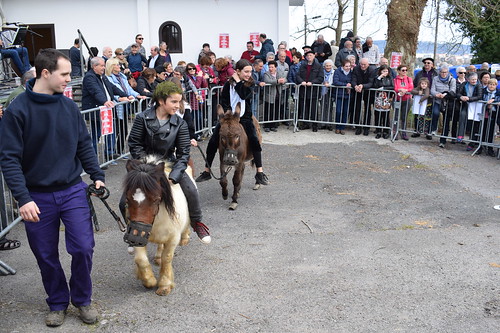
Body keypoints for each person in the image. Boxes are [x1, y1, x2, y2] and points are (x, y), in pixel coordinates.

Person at [0, 48, 105, 327]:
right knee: (45, 254)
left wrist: (97, 174)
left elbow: (84, 143)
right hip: (36, 197)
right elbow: (8, 159)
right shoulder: (17, 110)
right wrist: (22, 198)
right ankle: (57, 302)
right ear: (45, 73)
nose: (69, 80)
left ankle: (82, 300)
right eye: (65, 74)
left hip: (72, 190)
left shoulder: (69, 106)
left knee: (83, 247)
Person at [127, 81, 211, 243]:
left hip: (170, 164)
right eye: (174, 101)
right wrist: (146, 166)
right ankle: (133, 228)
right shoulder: (142, 118)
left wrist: (175, 175)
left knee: (191, 190)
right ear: (161, 101)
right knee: (125, 199)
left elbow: (184, 153)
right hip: (144, 165)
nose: (178, 105)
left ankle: (197, 222)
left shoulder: (180, 123)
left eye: (179, 101)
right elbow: (134, 144)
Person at [195, 59, 269, 186]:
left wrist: (239, 81)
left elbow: (243, 94)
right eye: (246, 71)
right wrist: (227, 114)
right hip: (229, 118)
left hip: (244, 117)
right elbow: (224, 100)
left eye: (250, 71)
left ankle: (260, 172)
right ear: (238, 71)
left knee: (254, 139)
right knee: (213, 141)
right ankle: (207, 171)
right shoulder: (228, 85)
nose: (248, 74)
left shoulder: (250, 83)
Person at [82, 57, 130, 160]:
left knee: (110, 131)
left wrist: (125, 95)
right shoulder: (89, 77)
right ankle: (92, 158)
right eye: (102, 66)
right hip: (97, 110)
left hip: (107, 110)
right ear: (95, 66)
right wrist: (105, 101)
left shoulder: (102, 76)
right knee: (96, 134)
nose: (104, 68)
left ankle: (109, 153)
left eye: (104, 65)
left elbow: (112, 87)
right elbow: (96, 91)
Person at [105, 58, 146, 156]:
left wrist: (137, 95)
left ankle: (119, 151)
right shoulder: (108, 78)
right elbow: (112, 92)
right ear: (112, 67)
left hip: (124, 107)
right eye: (117, 65)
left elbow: (128, 89)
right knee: (115, 131)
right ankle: (110, 152)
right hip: (115, 107)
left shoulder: (122, 77)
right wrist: (120, 98)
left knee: (124, 130)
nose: (119, 66)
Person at [296, 50, 324, 132]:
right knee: (305, 108)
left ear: (314, 56)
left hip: (313, 91)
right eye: (307, 55)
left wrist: (312, 82)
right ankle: (305, 124)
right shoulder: (302, 65)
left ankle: (314, 125)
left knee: (314, 109)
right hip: (304, 90)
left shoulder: (318, 66)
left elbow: (321, 77)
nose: (309, 57)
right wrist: (302, 81)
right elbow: (297, 75)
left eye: (310, 55)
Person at [431, 65, 456, 147]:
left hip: (447, 102)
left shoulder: (452, 80)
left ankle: (443, 140)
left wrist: (445, 95)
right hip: (438, 100)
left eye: (445, 72)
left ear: (448, 72)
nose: (443, 74)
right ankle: (434, 129)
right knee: (435, 113)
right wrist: (437, 94)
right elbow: (432, 90)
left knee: (446, 121)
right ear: (439, 72)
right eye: (442, 72)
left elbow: (453, 90)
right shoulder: (435, 79)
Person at [456, 72, 483, 150]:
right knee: (462, 115)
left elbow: (479, 96)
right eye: (472, 79)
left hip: (475, 106)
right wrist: (461, 97)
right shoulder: (464, 84)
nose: (474, 81)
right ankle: (460, 135)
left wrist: (469, 98)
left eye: (475, 79)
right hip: (466, 105)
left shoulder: (479, 85)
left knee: (473, 123)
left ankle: (472, 142)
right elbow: (458, 93)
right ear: (468, 79)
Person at [351, 58, 374, 135]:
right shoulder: (356, 69)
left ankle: (366, 127)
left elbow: (371, 82)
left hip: (367, 91)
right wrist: (355, 86)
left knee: (367, 109)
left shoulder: (371, 70)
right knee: (357, 109)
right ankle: (358, 126)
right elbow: (353, 79)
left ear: (368, 64)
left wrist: (362, 86)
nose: (363, 66)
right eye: (361, 64)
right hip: (357, 91)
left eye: (364, 64)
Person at [262, 60, 287, 132]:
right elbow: (268, 81)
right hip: (269, 95)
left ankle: (273, 125)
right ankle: (267, 125)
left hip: (277, 95)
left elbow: (284, 79)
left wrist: (283, 81)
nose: (271, 68)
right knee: (268, 110)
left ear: (275, 67)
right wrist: (277, 81)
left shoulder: (278, 73)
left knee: (276, 110)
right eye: (269, 67)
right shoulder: (266, 74)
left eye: (272, 67)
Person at [372, 65, 394, 139]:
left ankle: (385, 131)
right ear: (380, 71)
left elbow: (392, 86)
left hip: (386, 98)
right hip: (378, 98)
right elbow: (375, 86)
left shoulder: (390, 78)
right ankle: (378, 131)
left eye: (386, 71)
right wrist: (379, 78)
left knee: (386, 115)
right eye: (383, 71)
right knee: (378, 115)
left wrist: (384, 88)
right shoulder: (377, 77)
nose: (385, 73)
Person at [393, 64, 414, 140]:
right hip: (397, 99)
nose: (404, 72)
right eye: (403, 70)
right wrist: (400, 90)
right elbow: (395, 88)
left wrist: (405, 90)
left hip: (406, 100)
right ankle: (395, 132)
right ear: (398, 71)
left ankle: (404, 132)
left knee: (404, 116)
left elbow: (411, 88)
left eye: (406, 70)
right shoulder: (395, 79)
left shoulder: (409, 79)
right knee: (396, 116)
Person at [333, 59, 353, 134]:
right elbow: (335, 81)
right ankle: (337, 126)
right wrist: (345, 85)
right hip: (339, 94)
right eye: (346, 66)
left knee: (345, 111)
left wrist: (350, 84)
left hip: (348, 95)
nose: (348, 68)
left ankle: (342, 127)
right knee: (338, 111)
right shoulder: (337, 71)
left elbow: (353, 81)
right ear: (342, 66)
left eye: (349, 66)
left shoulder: (351, 72)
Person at [481, 78, 500, 156]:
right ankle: (481, 146)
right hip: (485, 113)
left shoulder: (498, 93)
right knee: (483, 129)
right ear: (487, 84)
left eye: (493, 85)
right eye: (490, 84)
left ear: (496, 85)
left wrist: (493, 100)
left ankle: (490, 148)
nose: (492, 86)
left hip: (494, 113)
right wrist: (487, 103)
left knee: (491, 130)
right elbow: (482, 98)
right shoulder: (484, 91)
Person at [320, 59, 335, 130]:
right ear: (324, 66)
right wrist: (323, 83)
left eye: (329, 65)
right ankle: (323, 123)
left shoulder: (334, 72)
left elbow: (335, 81)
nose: (328, 67)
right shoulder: (321, 72)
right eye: (326, 66)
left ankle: (329, 123)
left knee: (329, 107)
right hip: (322, 91)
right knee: (322, 107)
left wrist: (330, 84)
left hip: (330, 91)